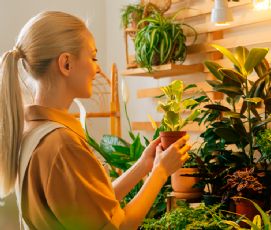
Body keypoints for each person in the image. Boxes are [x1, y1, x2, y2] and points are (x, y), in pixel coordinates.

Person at [0, 11, 191, 229]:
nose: (97, 68)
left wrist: (144, 166)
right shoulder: (62, 145)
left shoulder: (34, 131)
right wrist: (160, 173)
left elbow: (93, 207)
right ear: (66, 64)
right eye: (93, 57)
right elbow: (118, 226)